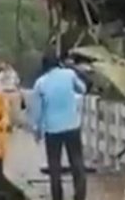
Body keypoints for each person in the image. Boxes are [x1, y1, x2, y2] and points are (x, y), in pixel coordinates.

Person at [30, 53, 87, 200]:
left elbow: (37, 110)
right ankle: (80, 195)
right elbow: (83, 89)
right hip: (72, 125)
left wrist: (37, 130)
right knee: (77, 162)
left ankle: (57, 196)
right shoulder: (69, 74)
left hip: (52, 129)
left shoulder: (40, 83)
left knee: (54, 166)